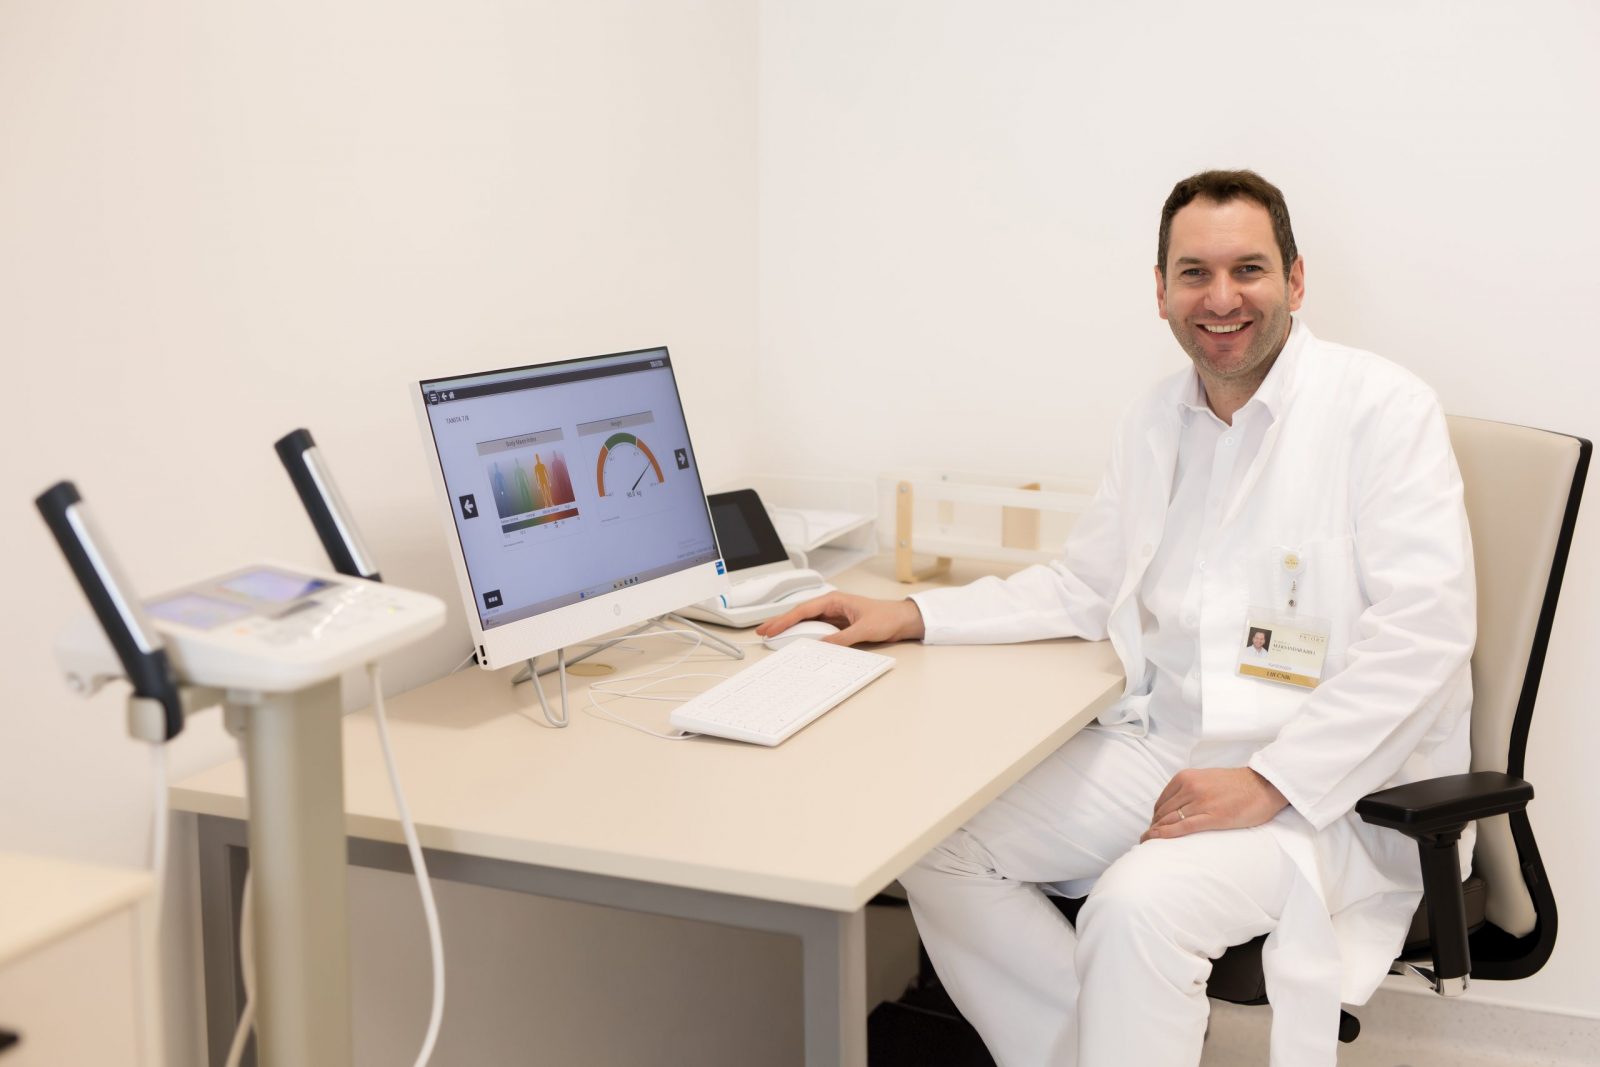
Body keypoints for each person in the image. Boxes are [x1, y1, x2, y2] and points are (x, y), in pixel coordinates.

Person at [757, 170, 1475, 1066]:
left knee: (1139, 906)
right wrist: (911, 613)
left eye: (1247, 269)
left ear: (1294, 280)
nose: (1220, 298)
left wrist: (1272, 780)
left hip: (1331, 791)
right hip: (1174, 748)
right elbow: (1081, 588)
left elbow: (1426, 636)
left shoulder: (1381, 411)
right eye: (1193, 274)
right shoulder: (1155, 421)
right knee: (937, 844)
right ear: (1161, 291)